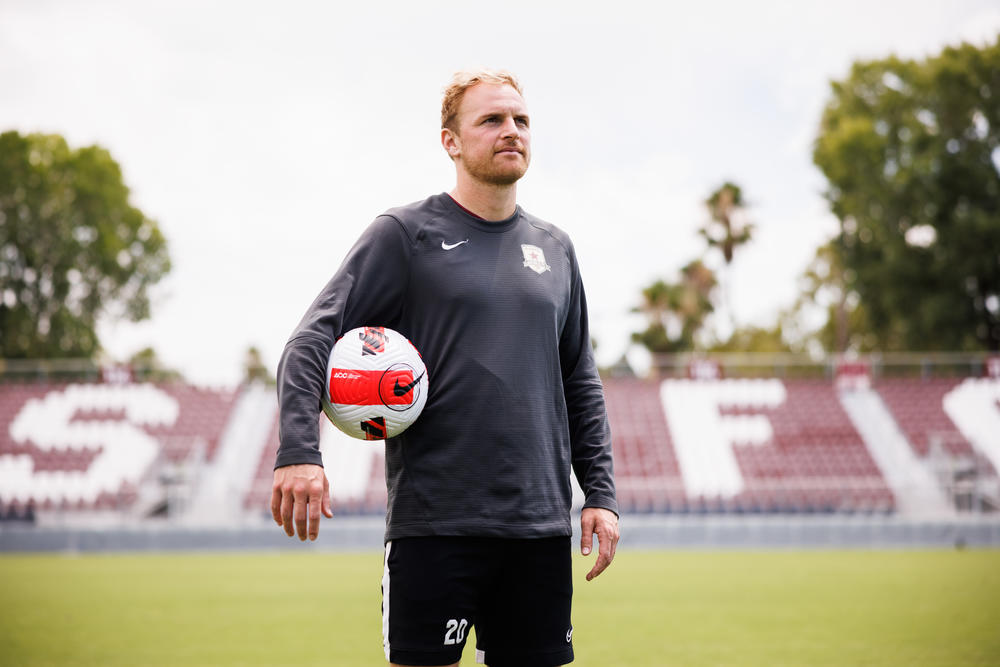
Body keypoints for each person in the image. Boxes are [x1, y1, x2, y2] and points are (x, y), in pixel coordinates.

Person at [271, 69, 619, 667]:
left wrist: (601, 495)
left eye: (521, 120)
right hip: (435, 527)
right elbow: (311, 338)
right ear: (450, 142)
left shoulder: (556, 248)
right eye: (491, 120)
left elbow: (579, 382)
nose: (511, 131)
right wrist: (300, 452)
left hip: (538, 529)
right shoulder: (405, 235)